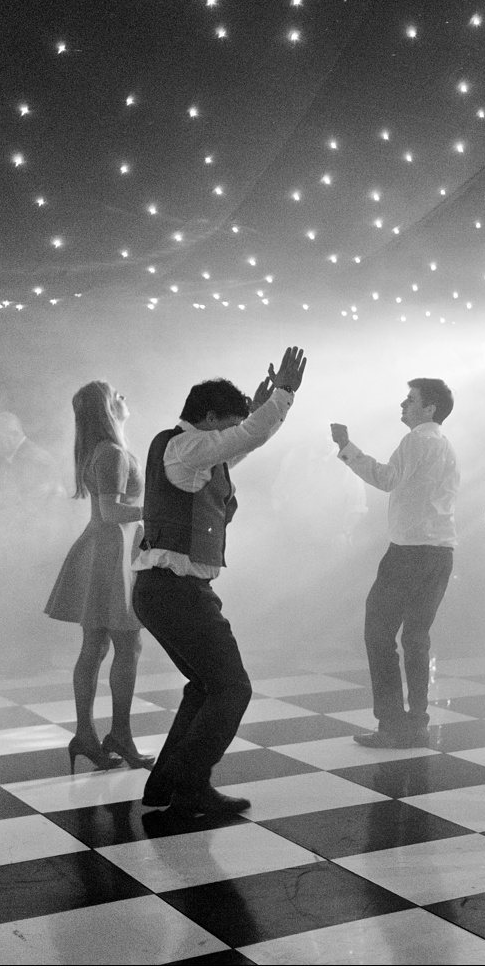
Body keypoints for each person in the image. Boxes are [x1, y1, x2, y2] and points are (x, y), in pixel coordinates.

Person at [133, 348, 306, 816]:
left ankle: (166, 785)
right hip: (173, 591)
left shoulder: (193, 453)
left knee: (207, 687)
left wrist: (259, 410)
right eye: (225, 425)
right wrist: (284, 397)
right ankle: (190, 787)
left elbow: (242, 441)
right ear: (207, 417)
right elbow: (245, 436)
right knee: (232, 688)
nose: (229, 437)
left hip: (167, 591)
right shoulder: (184, 448)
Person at [331, 378, 460, 749]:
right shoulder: (446, 445)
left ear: (430, 408)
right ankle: (417, 723)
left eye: (410, 400)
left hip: (409, 553)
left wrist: (346, 447)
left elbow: (387, 479)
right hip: (440, 552)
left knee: (379, 633)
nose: (403, 405)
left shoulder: (417, 439)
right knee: (417, 638)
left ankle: (391, 724)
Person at [44, 382, 152, 775]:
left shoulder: (104, 450)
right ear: (107, 408)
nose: (124, 397)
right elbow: (111, 513)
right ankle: (115, 734)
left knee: (97, 646)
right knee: (125, 645)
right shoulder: (112, 453)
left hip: (106, 552)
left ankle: (88, 737)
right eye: (117, 394)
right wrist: (155, 511)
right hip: (109, 553)